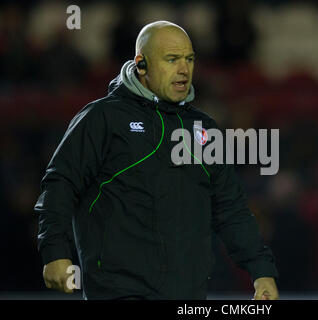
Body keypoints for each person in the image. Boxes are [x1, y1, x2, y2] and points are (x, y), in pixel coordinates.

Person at [35, 21, 279, 300]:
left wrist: (262, 271)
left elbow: (230, 208)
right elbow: (60, 184)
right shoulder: (102, 119)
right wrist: (54, 252)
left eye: (189, 59)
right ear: (141, 65)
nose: (184, 69)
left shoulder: (204, 129)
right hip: (118, 292)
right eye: (172, 59)